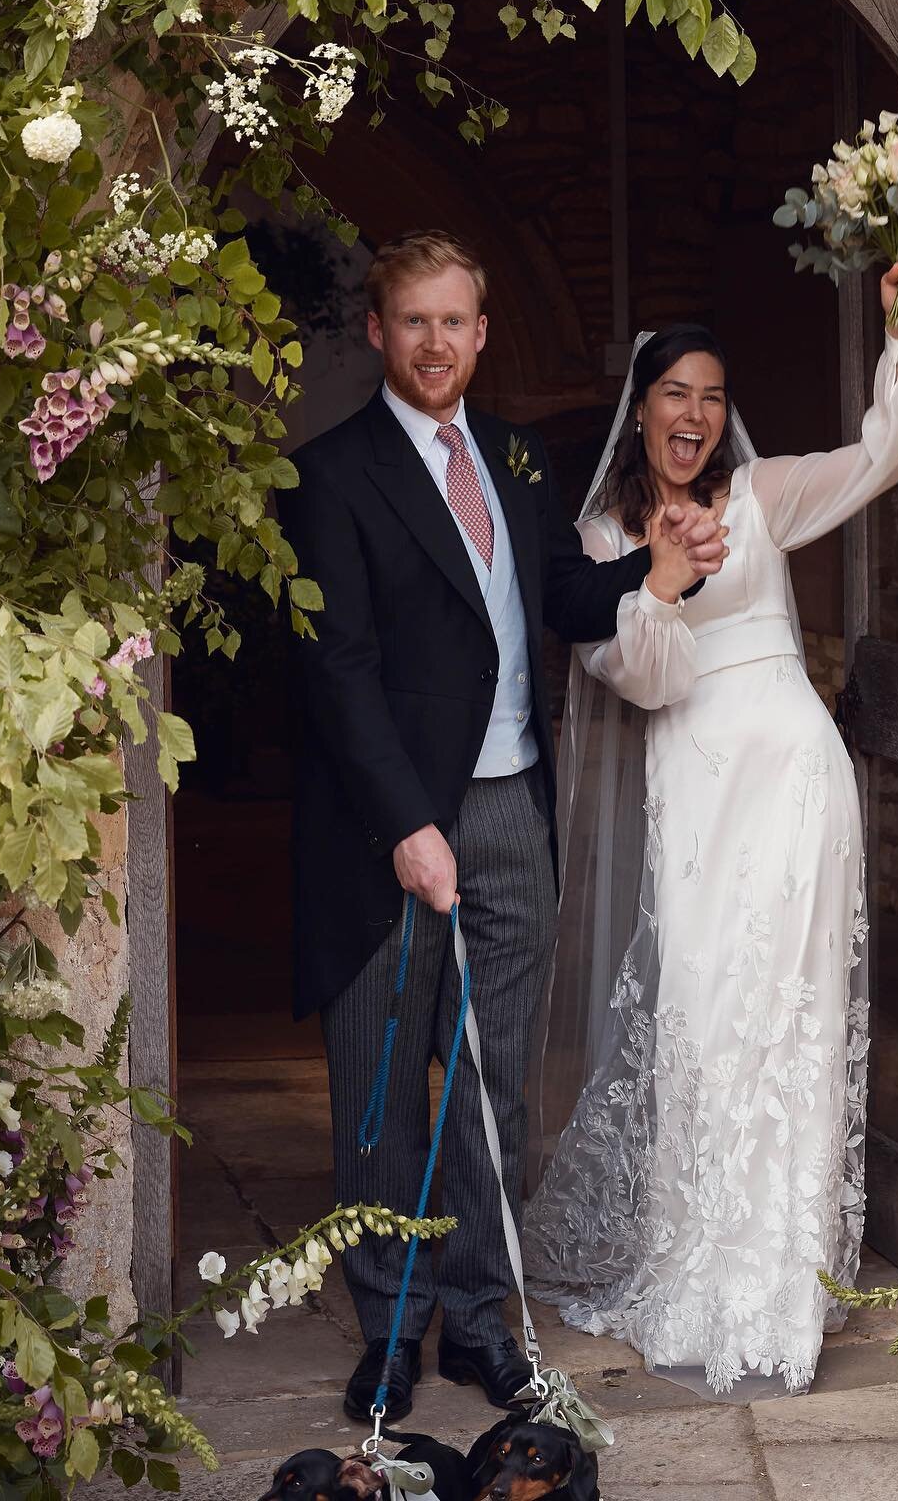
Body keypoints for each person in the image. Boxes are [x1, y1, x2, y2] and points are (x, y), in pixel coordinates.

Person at [279, 229, 728, 1425]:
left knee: (494, 1089)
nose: (437, 343)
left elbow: (556, 598)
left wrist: (651, 567)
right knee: (384, 1088)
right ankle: (388, 1332)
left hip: (513, 810)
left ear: (483, 334)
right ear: (380, 332)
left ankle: (481, 1322)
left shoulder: (518, 457)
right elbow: (341, 673)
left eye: (456, 323)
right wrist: (406, 825)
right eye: (414, 322)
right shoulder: (331, 473)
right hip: (399, 825)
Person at [524, 258, 898, 1399]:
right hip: (697, 785)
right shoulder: (604, 533)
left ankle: (779, 1296)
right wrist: (656, 582)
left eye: (713, 396)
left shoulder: (762, 497)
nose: (697, 416)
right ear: (642, 405)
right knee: (706, 1025)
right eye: (677, 394)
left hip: (797, 777)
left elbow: (886, 451)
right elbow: (641, 679)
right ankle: (700, 1274)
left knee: (793, 1026)